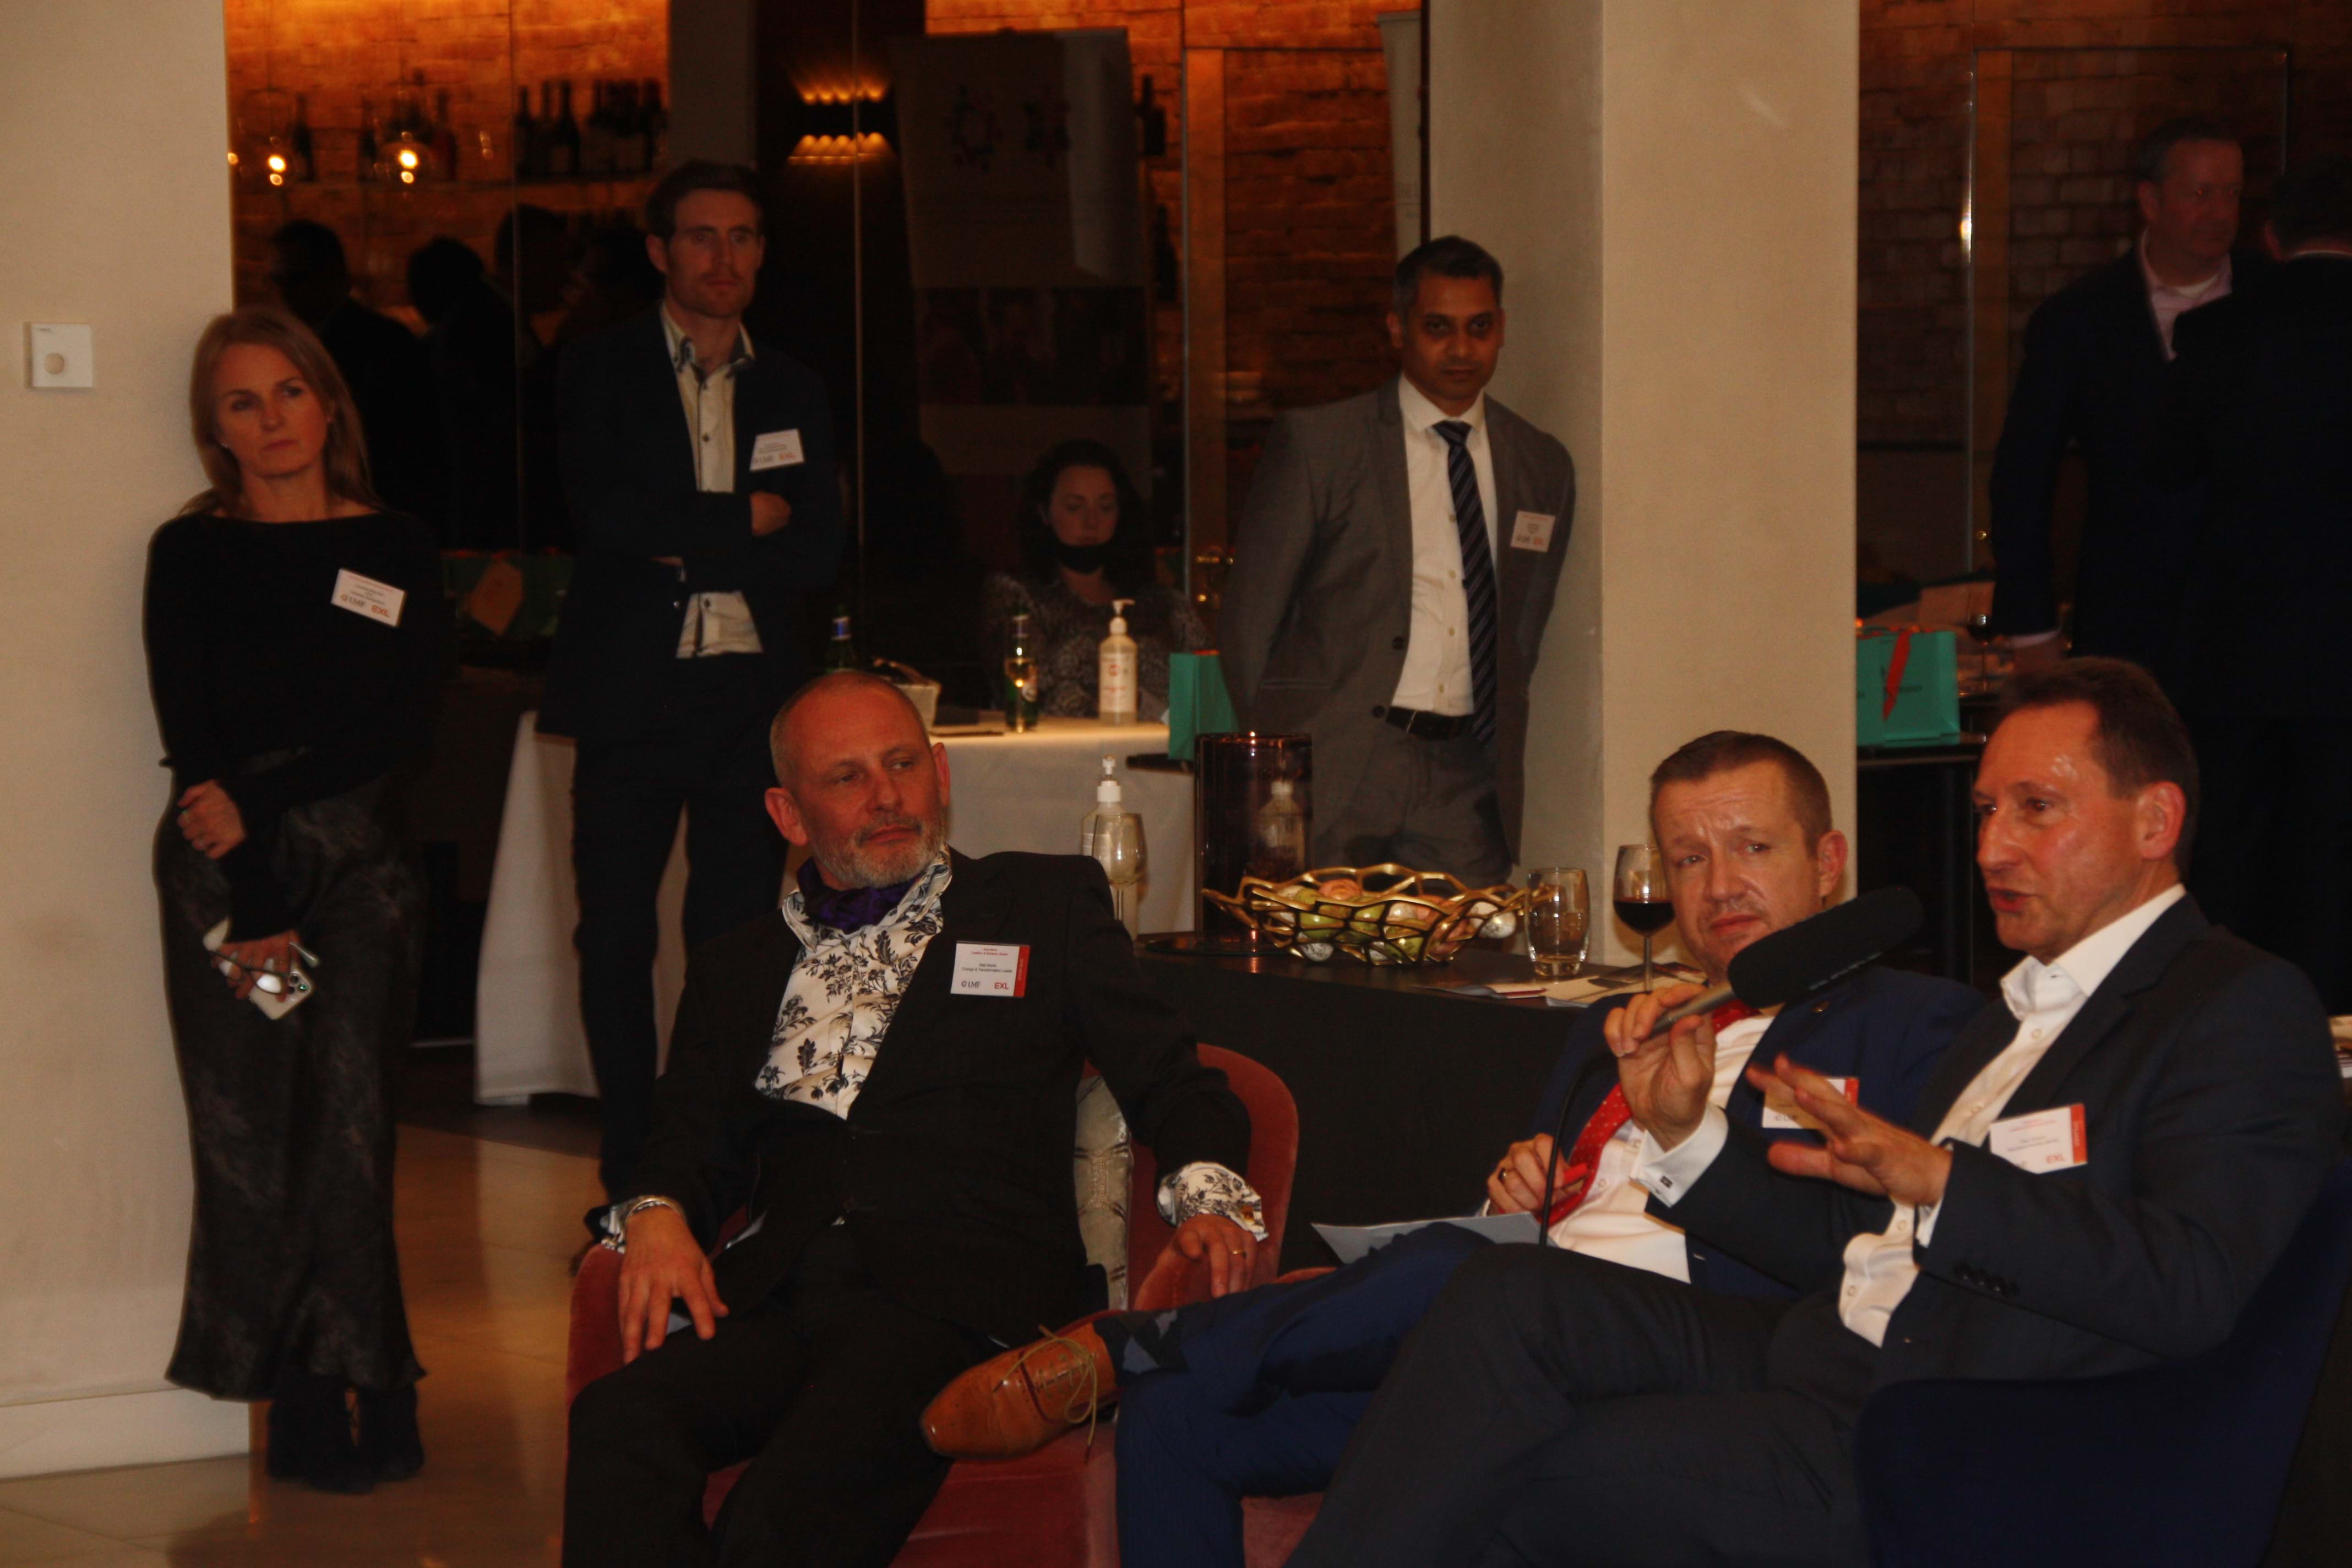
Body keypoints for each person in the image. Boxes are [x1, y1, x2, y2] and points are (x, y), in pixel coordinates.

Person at [1278, 658, 2342, 1567]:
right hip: (1824, 1343)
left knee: (1528, 1464)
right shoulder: (2008, 1018)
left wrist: (1945, 1184)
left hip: (1952, 1423)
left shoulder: (2234, 1006)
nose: (1990, 848)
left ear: (2155, 820)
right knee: (1508, 1293)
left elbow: (2191, 1284)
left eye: (2036, 808)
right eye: (1985, 811)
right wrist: (1688, 1136)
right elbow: (1850, 1247)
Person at [918, 733, 1980, 1568]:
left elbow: (1880, 1250)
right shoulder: (1615, 1024)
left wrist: (1671, 1144)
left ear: (1827, 861)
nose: (1718, 885)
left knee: (1475, 1275)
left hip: (1694, 1342)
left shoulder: (1910, 1024)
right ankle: (1162, 1363)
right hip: (1506, 1339)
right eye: (1689, 857)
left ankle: (1140, 1341)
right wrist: (1529, 1193)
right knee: (1180, 1414)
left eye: (1753, 848)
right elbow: (1542, 1216)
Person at [561, 672, 1264, 1566]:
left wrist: (1207, 1192)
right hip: (782, 1294)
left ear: (941, 773)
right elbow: (689, 1133)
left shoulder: (1038, 904)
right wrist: (658, 1209)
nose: (886, 795)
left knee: (784, 1513)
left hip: (962, 1298)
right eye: (846, 777)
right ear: (787, 813)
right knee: (620, 1420)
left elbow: (1170, 1075)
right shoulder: (738, 964)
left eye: (901, 765)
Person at [143, 305, 451, 1494]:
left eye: (288, 392)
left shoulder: (397, 545)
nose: (270, 419)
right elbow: (193, 734)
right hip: (235, 885)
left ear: (327, 405)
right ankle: (311, 1397)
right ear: (214, 430)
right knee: (257, 1136)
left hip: (362, 874)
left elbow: (405, 722)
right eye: (241, 401)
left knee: (353, 1131)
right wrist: (255, 882)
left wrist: (264, 802)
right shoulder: (191, 553)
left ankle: (374, 1370)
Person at [541, 161, 847, 1204]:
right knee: (615, 939)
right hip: (630, 692)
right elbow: (608, 519)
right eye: (703, 236)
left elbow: (816, 548)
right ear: (659, 251)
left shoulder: (791, 386)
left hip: (749, 700)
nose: (726, 257)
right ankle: (632, 1174)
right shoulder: (600, 369)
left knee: (733, 945)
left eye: (744, 237)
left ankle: (709, 1169)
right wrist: (741, 520)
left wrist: (687, 535)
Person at [1218, 236, 1575, 886]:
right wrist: (1278, 761)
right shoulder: (1322, 444)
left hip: (1465, 773)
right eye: (1438, 328)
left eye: (1479, 328)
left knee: (1467, 946)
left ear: (1501, 331)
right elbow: (1249, 623)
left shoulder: (1541, 463)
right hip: (1335, 760)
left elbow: (1524, 627)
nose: (1461, 349)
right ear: (1396, 328)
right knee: (1324, 944)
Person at [2150, 154, 2352, 1012]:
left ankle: (2231, 1028)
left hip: (2237, 646)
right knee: (2338, 868)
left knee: (2234, 858)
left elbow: (2166, 473)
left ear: (2270, 237)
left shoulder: (2217, 334)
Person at [1987, 117, 2264, 675]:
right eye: (2201, 194)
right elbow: (2023, 476)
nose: (2220, 213)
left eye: (2232, 194)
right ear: (2150, 201)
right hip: (2129, 623)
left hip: (2261, 621)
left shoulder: (2275, 300)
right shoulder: (2080, 319)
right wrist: (2033, 629)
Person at [978, 438, 1209, 719]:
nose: (1091, 522)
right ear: (1044, 512)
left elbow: (1209, 687)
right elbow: (1035, 695)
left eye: (1105, 507)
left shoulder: (1163, 604)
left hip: (1169, 743)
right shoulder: (1018, 597)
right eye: (1074, 507)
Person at [268, 219, 444, 530]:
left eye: (297, 279)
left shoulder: (385, 344)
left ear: (332, 276)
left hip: (376, 510)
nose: (286, 293)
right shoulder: (281, 347)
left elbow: (409, 446)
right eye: (278, 281)